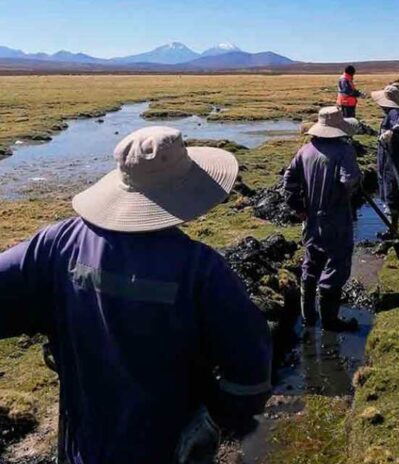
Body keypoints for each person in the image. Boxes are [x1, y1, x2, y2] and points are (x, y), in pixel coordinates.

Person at [0, 127, 272, 464]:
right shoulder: (202, 271)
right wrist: (215, 420)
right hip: (170, 450)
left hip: (82, 449)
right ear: (184, 189)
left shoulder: (57, 245)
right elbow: (252, 374)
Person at [283, 107, 362, 332]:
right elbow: (349, 181)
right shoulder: (344, 151)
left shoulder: (305, 150)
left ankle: (309, 317)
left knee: (311, 263)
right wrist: (354, 186)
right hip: (336, 219)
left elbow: (288, 181)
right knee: (336, 265)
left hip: (311, 220)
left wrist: (298, 207)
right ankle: (330, 321)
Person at [371, 84, 399, 232]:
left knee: (391, 184)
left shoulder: (395, 113)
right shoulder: (394, 112)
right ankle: (392, 218)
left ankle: (392, 225)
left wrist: (390, 133)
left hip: (392, 158)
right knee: (389, 183)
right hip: (390, 156)